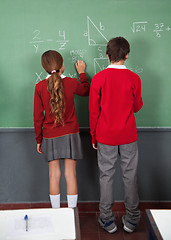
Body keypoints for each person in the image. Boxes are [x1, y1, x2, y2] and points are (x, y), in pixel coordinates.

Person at [89, 37, 143, 233]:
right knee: (130, 175)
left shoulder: (99, 78)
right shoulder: (134, 78)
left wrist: (94, 136)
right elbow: (137, 106)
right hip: (128, 134)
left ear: (107, 55)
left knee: (106, 176)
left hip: (105, 135)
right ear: (127, 54)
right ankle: (132, 219)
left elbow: (93, 111)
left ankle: (107, 220)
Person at [34, 50, 90, 209]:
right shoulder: (71, 83)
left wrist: (39, 139)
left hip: (49, 136)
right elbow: (86, 90)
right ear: (62, 66)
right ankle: (71, 214)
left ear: (45, 68)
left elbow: (37, 117)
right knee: (70, 174)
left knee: (54, 174)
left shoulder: (39, 87)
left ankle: (56, 214)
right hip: (71, 134)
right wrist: (82, 73)